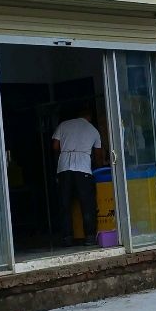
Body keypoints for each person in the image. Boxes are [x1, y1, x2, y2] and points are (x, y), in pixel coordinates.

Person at [52, 104, 102, 246]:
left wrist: (68, 148)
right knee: (87, 204)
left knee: (65, 204)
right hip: (83, 169)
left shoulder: (64, 125)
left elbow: (55, 146)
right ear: (89, 117)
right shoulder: (93, 130)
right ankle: (90, 237)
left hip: (64, 168)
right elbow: (98, 155)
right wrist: (98, 166)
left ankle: (67, 238)